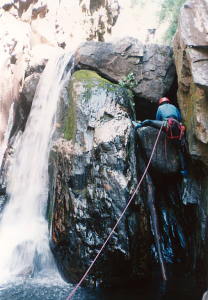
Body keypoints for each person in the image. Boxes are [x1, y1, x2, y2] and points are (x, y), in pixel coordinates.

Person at [132, 97, 188, 177]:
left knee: (149, 121)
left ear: (160, 103)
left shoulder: (160, 108)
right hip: (177, 127)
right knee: (179, 150)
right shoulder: (174, 107)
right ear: (168, 102)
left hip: (167, 124)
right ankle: (184, 171)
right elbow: (179, 118)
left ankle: (138, 125)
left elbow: (158, 119)